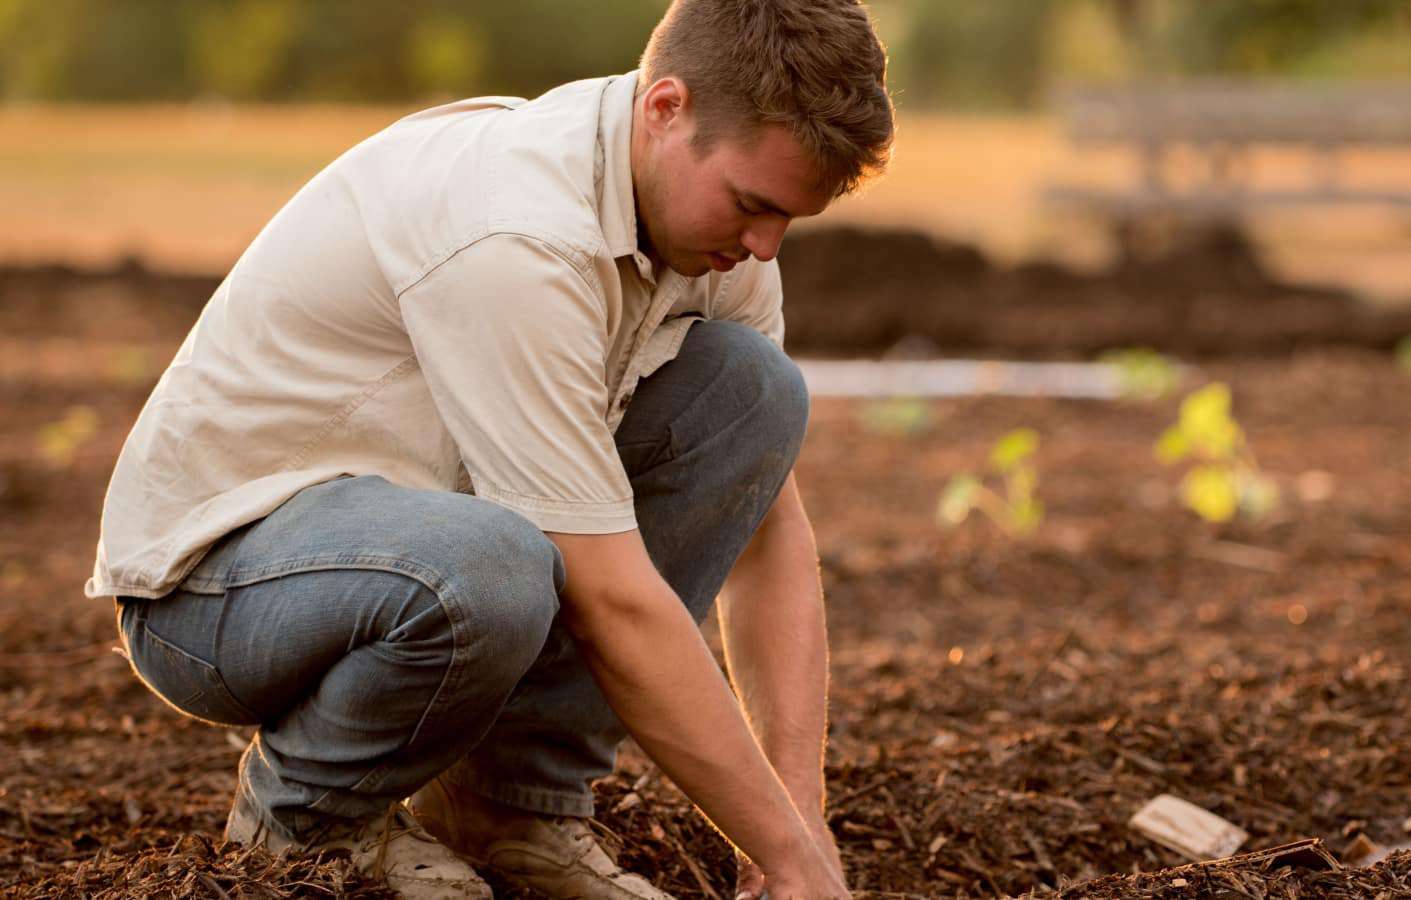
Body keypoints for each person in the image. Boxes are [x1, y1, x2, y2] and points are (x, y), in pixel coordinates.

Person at [84, 2, 892, 897]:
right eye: (752, 205)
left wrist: (800, 825)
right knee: (493, 566)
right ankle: (306, 823)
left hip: (410, 538)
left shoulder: (714, 238)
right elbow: (614, 602)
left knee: (753, 392)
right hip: (216, 585)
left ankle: (510, 808)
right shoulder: (519, 234)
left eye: (788, 219)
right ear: (666, 109)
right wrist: (788, 859)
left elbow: (766, 527)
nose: (763, 247)